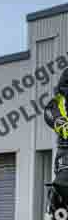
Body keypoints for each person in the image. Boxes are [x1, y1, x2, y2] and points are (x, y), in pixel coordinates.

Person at [45, 69, 68, 209]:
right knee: (63, 183)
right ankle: (56, 216)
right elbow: (51, 111)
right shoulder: (63, 95)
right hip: (67, 150)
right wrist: (62, 124)